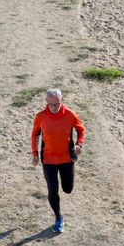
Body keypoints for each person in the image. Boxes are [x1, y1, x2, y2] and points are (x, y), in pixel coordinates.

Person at [31, 88, 85, 233]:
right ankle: (58, 217)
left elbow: (81, 129)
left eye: (57, 104)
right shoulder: (41, 117)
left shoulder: (69, 114)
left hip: (66, 158)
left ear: (62, 100)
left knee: (67, 189)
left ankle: (65, 185)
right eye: (51, 105)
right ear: (46, 102)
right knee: (52, 189)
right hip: (48, 160)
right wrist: (35, 153)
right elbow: (35, 135)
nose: (54, 108)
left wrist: (79, 144)